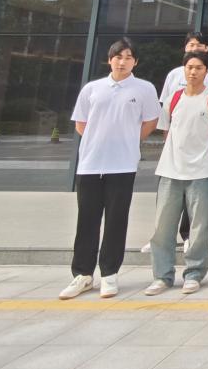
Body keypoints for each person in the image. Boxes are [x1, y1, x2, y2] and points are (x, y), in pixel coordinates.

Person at [59, 39, 160, 300]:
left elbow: (151, 121)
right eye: (118, 57)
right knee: (87, 220)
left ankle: (109, 273)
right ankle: (82, 274)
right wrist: (99, 141)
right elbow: (81, 123)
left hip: (122, 165)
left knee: (116, 220)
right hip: (90, 165)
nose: (122, 61)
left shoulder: (144, 89)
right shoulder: (92, 89)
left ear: (135, 62)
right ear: (109, 59)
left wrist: (128, 140)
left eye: (128, 57)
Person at [145, 50, 208, 296]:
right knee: (163, 227)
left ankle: (194, 274)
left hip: (201, 172)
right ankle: (162, 275)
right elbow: (166, 131)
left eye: (199, 68)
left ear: (207, 71)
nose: (193, 72)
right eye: (190, 67)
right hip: (170, 171)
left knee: (199, 227)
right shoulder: (173, 98)